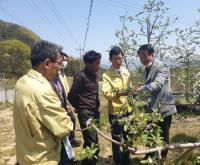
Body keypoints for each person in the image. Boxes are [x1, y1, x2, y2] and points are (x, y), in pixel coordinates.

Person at [13, 40, 73, 165]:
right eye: (59, 64)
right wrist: (68, 121)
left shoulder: (22, 81)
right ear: (47, 63)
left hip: (26, 153)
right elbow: (63, 128)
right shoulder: (43, 90)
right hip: (44, 157)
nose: (59, 68)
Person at [137, 44, 177, 159]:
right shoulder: (147, 68)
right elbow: (149, 88)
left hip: (164, 108)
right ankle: (149, 157)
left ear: (152, 55)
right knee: (150, 134)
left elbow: (157, 84)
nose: (143, 59)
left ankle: (162, 159)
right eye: (140, 57)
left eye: (145, 56)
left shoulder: (162, 67)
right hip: (152, 109)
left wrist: (140, 89)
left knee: (163, 137)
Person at [68, 50, 101, 165]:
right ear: (88, 63)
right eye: (96, 63)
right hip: (86, 113)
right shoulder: (81, 77)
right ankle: (90, 162)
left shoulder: (96, 75)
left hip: (95, 111)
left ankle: (87, 162)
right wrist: (79, 107)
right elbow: (71, 95)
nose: (99, 65)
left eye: (99, 62)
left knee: (91, 139)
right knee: (92, 142)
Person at [102, 46, 132, 165]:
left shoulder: (126, 71)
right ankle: (118, 160)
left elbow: (129, 88)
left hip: (128, 110)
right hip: (116, 112)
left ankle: (126, 157)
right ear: (110, 59)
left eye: (120, 58)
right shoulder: (106, 75)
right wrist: (118, 94)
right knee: (117, 138)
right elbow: (106, 93)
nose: (118, 61)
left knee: (129, 136)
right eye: (115, 59)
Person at [51, 52, 81, 148]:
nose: (65, 63)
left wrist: (68, 102)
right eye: (64, 60)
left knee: (72, 119)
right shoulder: (54, 74)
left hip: (65, 101)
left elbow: (63, 89)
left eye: (66, 61)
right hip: (58, 104)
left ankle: (71, 140)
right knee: (65, 123)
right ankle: (66, 143)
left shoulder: (62, 73)